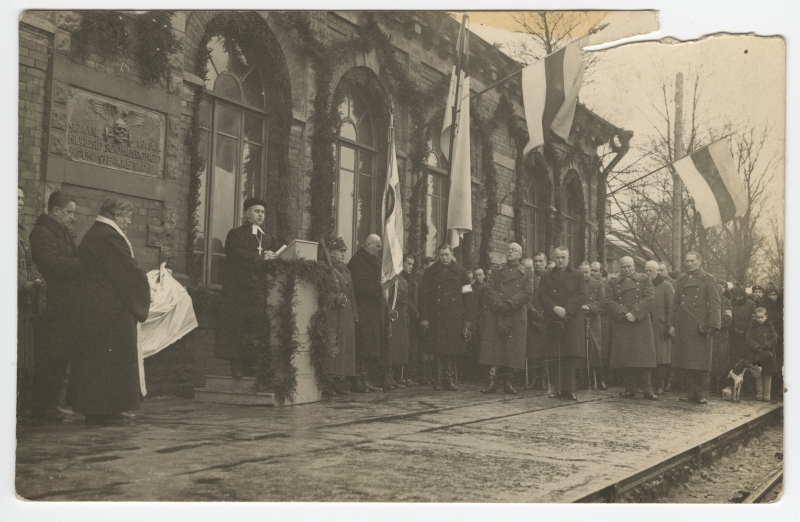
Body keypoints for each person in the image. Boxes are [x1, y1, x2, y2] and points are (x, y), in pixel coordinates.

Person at [69, 198, 150, 425]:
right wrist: (145, 282)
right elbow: (126, 270)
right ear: (116, 215)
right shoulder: (108, 236)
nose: (129, 222)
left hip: (99, 308)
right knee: (109, 360)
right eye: (127, 217)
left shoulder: (98, 233)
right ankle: (104, 409)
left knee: (102, 360)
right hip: (108, 310)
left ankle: (105, 408)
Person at [215, 198, 281, 378]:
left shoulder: (268, 238)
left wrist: (273, 257)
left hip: (260, 291)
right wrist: (261, 258)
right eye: (256, 211)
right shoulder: (236, 234)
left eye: (263, 212)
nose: (261, 215)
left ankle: (252, 365)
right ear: (247, 213)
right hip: (239, 290)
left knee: (255, 327)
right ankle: (236, 366)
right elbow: (237, 256)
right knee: (238, 327)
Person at [29, 191, 79, 421]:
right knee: (49, 356)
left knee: (60, 356)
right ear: (56, 210)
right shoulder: (42, 232)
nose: (72, 217)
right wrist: (81, 265)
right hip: (52, 304)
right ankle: (42, 406)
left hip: (65, 304)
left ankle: (52, 404)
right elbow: (49, 264)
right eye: (69, 212)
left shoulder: (63, 233)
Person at [478, 243, 534, 394]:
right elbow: (489, 289)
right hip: (497, 312)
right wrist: (499, 305)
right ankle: (492, 382)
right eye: (508, 249)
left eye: (514, 250)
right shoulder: (497, 270)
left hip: (515, 313)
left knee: (512, 349)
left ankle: (509, 382)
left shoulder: (527, 273)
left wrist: (510, 304)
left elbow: (528, 292)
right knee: (495, 349)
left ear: (520, 255)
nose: (510, 252)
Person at [419, 244, 474, 391]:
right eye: (441, 255)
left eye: (447, 255)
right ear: (438, 255)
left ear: (451, 254)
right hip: (436, 316)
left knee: (451, 350)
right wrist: (424, 318)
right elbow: (423, 296)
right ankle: (439, 380)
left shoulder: (461, 272)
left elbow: (468, 297)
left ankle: (449, 380)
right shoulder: (430, 272)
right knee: (438, 349)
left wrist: (468, 321)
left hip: (454, 317)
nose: (444, 258)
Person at [667, 251, 721, 405]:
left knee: (702, 362)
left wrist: (714, 325)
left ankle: (702, 393)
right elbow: (675, 303)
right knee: (687, 360)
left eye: (692, 261)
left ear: (699, 261)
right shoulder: (681, 279)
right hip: (684, 324)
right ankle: (690, 392)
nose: (689, 264)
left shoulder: (708, 279)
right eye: (687, 261)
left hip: (700, 326)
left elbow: (715, 303)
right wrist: (671, 324)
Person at [538, 246, 586, 400]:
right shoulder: (546, 276)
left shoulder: (578, 275)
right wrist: (554, 307)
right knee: (553, 355)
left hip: (570, 319)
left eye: (563, 257)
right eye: (557, 257)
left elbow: (581, 295)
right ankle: (555, 388)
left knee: (569, 356)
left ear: (568, 258)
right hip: (552, 319)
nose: (560, 261)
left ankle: (569, 389)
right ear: (553, 258)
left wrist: (566, 310)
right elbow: (541, 295)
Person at [607, 257, 658, 400]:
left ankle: (648, 389)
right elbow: (609, 301)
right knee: (626, 357)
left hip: (640, 323)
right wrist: (623, 313)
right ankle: (629, 389)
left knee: (644, 358)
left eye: (629, 267)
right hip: (623, 323)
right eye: (623, 267)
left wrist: (635, 313)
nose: (626, 270)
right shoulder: (613, 282)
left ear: (634, 266)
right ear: (619, 267)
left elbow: (648, 299)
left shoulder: (644, 280)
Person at [17, 186, 45, 419]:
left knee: (22, 355)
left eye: (22, 199)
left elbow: (29, 260)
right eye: (15, 198)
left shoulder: (22, 231)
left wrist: (35, 277)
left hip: (22, 302)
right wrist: (23, 284)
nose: (19, 203)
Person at [348, 234, 384, 392]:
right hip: (362, 309)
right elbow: (358, 285)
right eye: (377, 246)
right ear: (368, 245)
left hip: (373, 309)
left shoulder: (375, 261)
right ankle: (356, 380)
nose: (379, 249)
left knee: (370, 346)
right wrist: (379, 289)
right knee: (362, 345)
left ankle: (365, 378)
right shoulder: (357, 261)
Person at [323, 237, 358, 395]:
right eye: (340, 252)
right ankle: (329, 380)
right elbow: (321, 293)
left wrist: (355, 315)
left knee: (344, 348)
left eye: (344, 252)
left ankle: (340, 379)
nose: (343, 255)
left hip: (346, 313)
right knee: (333, 347)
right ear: (331, 254)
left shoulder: (346, 271)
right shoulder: (326, 270)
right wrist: (334, 298)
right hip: (333, 313)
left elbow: (351, 295)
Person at [644, 260, 674, 394]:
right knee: (648, 355)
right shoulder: (644, 285)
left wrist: (670, 325)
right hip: (646, 325)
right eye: (646, 271)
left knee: (661, 357)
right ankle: (647, 385)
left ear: (657, 271)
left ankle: (660, 385)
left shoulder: (666, 286)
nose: (648, 273)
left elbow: (671, 308)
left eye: (650, 271)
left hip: (660, 326)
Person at [580, 262, 607, 390]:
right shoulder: (576, 284)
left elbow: (602, 303)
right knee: (582, 349)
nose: (584, 275)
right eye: (582, 272)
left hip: (594, 319)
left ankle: (600, 378)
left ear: (590, 272)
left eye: (586, 272)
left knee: (595, 348)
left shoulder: (598, 284)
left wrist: (590, 307)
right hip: (579, 319)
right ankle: (585, 379)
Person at [746, 307, 778, 401]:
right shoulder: (753, 326)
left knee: (767, 373)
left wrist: (766, 346)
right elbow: (748, 338)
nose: (759, 319)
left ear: (766, 317)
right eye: (757, 317)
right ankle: (759, 394)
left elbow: (774, 339)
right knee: (758, 373)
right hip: (756, 353)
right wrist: (756, 346)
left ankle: (767, 395)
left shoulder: (769, 326)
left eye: (761, 317)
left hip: (768, 354)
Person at [385, 271, 410, 390]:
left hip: (401, 314)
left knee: (399, 346)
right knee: (390, 346)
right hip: (392, 312)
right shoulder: (389, 278)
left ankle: (394, 377)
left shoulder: (401, 279)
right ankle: (387, 377)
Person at [590, 261, 614, 388]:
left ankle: (603, 377)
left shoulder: (606, 285)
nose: (593, 273)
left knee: (603, 349)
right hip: (591, 317)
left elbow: (606, 303)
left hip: (604, 320)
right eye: (591, 270)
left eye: (595, 271)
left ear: (601, 272)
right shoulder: (587, 284)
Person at [400, 254, 422, 386]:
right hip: (406, 314)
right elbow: (405, 298)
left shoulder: (411, 279)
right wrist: (414, 311)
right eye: (408, 263)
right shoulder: (401, 279)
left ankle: (406, 375)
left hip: (412, 316)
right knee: (403, 346)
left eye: (412, 264)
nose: (410, 267)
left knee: (410, 347)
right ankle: (401, 375)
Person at [711, 279, 733, 394]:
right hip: (711, 334)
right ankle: (712, 384)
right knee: (711, 360)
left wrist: (716, 325)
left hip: (722, 335)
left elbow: (728, 318)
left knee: (722, 360)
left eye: (721, 287)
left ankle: (720, 384)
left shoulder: (726, 301)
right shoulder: (708, 300)